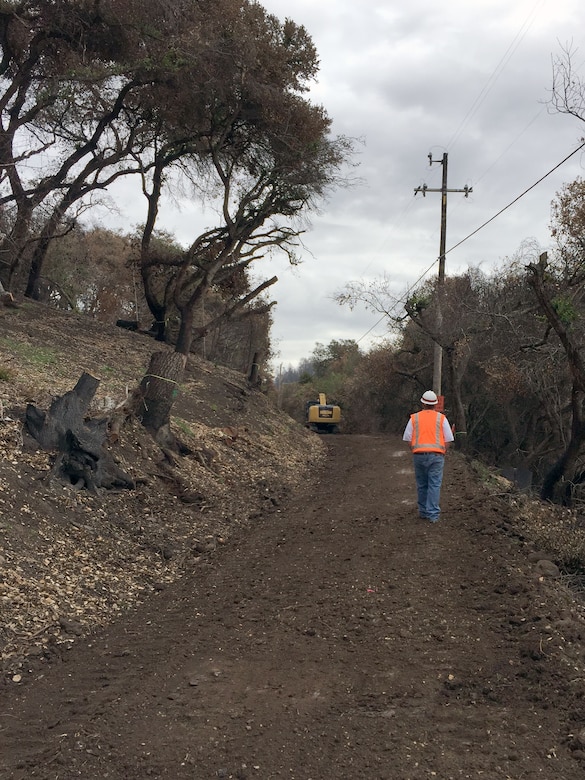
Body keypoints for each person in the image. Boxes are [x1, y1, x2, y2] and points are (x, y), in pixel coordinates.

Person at [402, 390, 454, 523]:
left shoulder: (414, 418)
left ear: (422, 403)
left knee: (422, 484)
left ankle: (423, 511)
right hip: (437, 456)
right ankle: (433, 514)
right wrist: (442, 451)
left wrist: (414, 449)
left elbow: (408, 438)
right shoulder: (441, 418)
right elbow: (448, 438)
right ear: (435, 404)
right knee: (434, 485)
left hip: (419, 455)